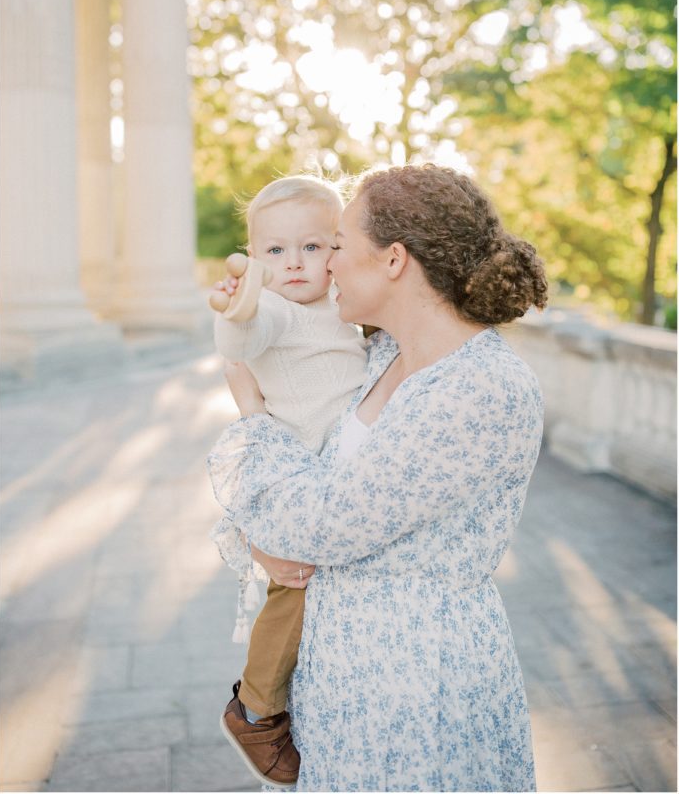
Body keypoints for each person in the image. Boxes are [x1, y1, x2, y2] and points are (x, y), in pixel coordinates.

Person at [209, 162, 548, 792]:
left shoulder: (480, 387)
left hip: (413, 688)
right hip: (335, 671)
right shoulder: (386, 351)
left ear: (393, 260)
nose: (323, 263)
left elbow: (322, 524)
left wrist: (252, 414)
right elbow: (315, 486)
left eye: (335, 245)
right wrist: (264, 541)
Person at [208, 175, 368, 788]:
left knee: (308, 589)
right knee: (293, 588)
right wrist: (236, 305)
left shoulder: (337, 306)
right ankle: (255, 708)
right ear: (254, 260)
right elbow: (242, 336)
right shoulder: (273, 308)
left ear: (338, 250)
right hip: (294, 478)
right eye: (274, 251)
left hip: (329, 473)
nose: (294, 263)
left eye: (312, 247)